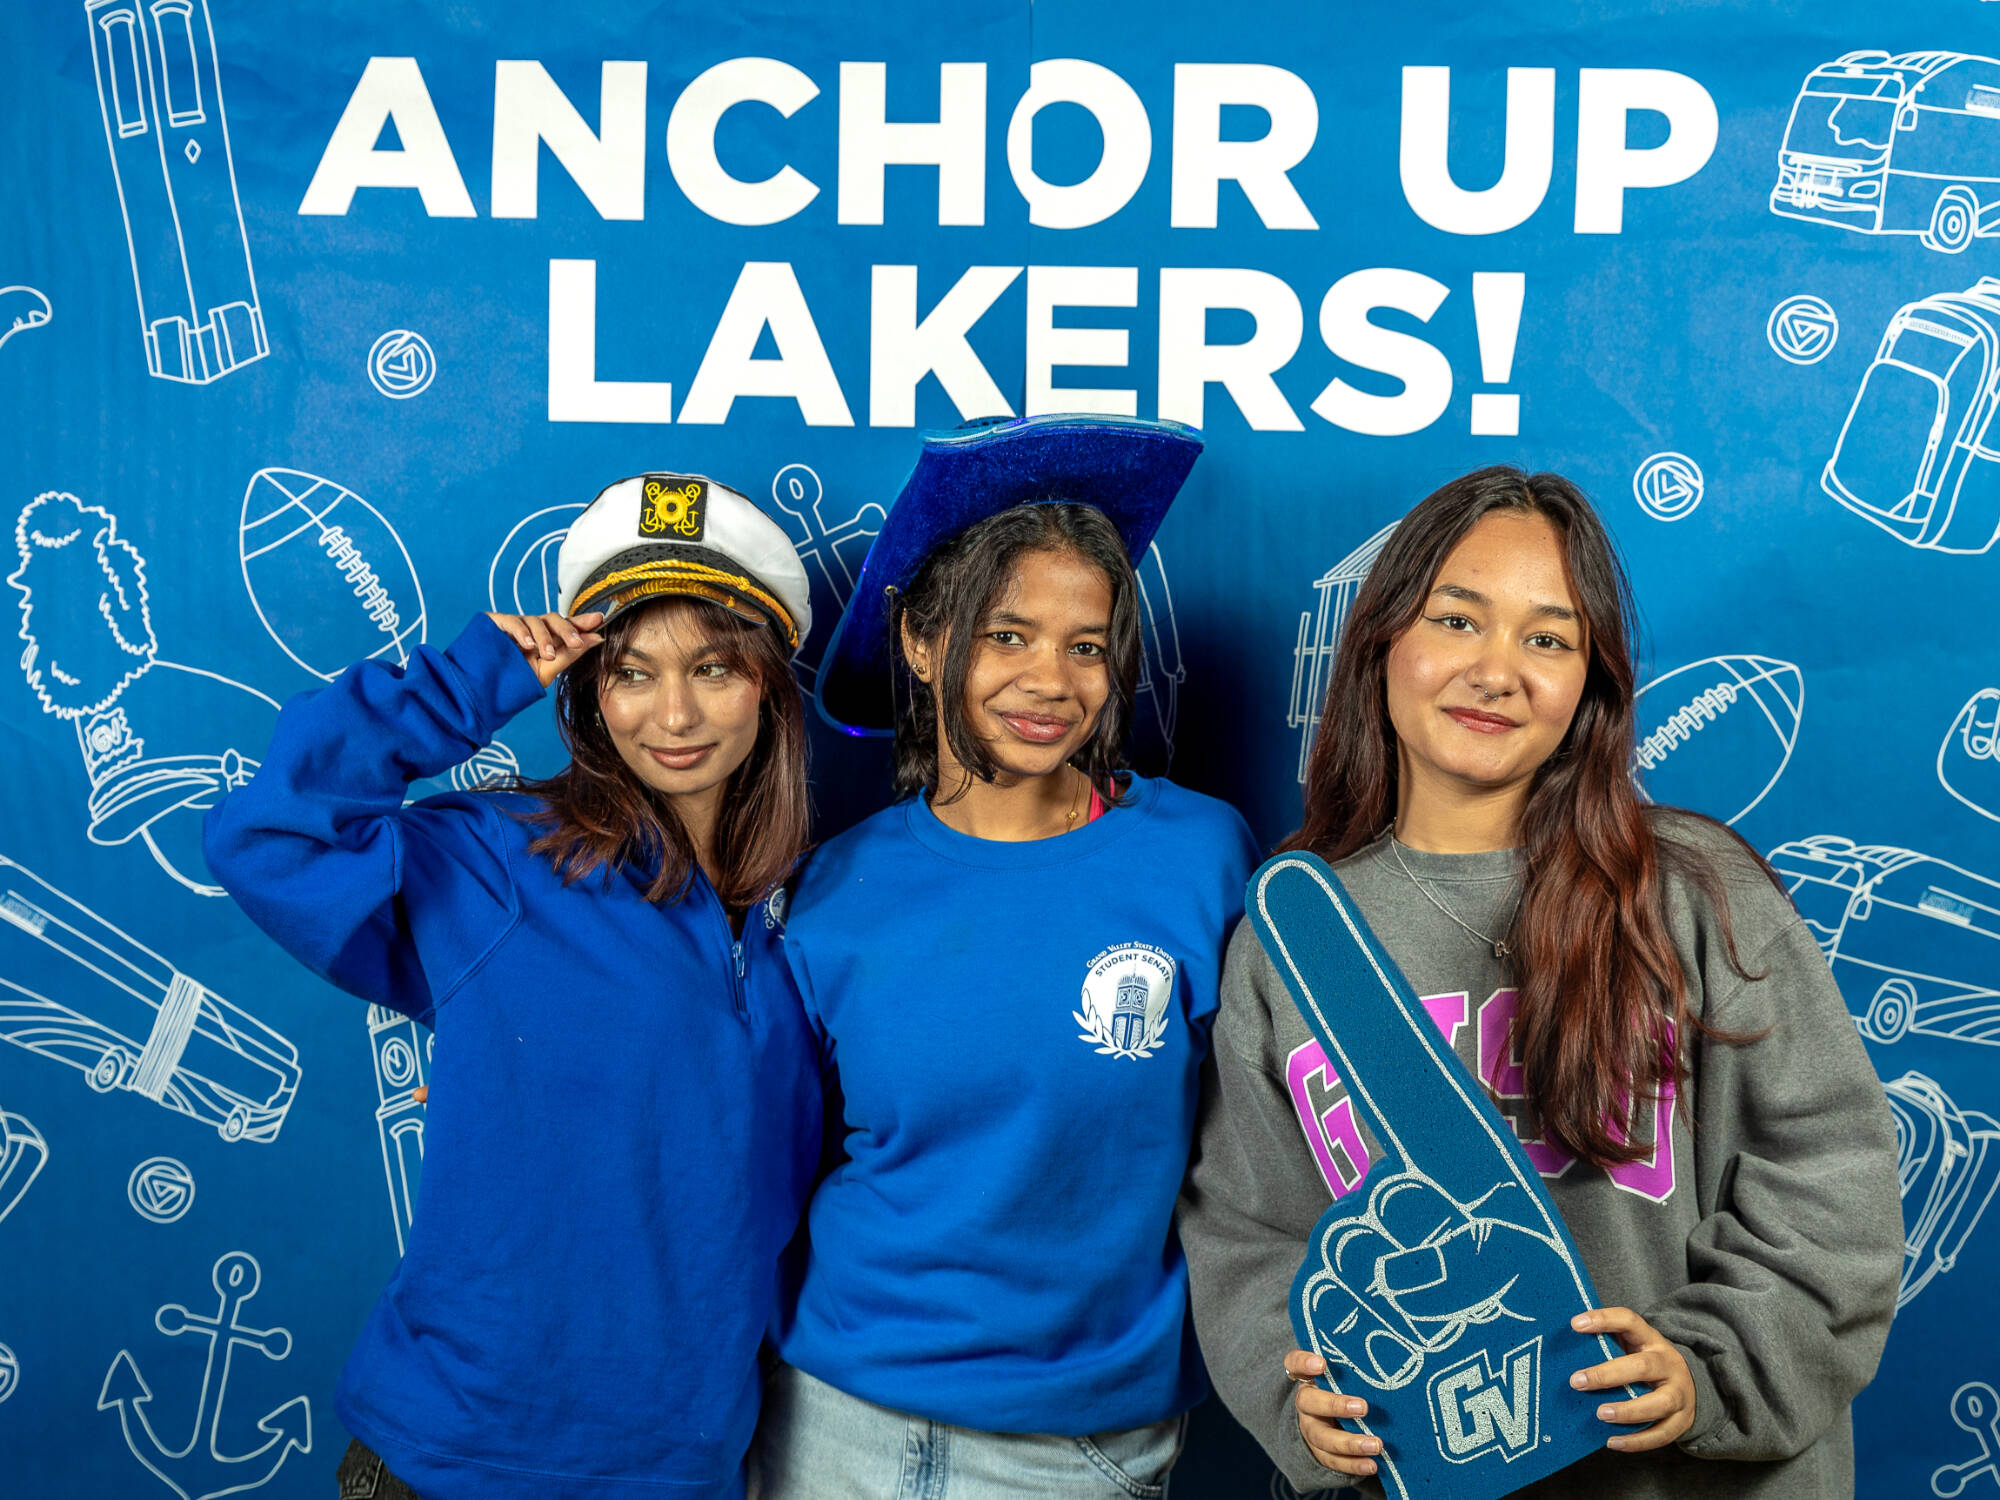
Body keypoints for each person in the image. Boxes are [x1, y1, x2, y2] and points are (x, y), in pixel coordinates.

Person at [1178, 466, 1903, 1498]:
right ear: (1381, 640)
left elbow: (1830, 1171)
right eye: (1457, 620)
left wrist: (1710, 1369)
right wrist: (1302, 1400)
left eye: (1547, 638)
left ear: (1590, 684)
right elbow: (1248, 1232)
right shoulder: (1290, 942)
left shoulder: (1692, 891)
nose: (1496, 670)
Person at [203, 473, 822, 1500]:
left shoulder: (817, 916)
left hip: (686, 1472)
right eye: (630, 672)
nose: (673, 714)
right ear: (587, 692)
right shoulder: (496, 860)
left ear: (767, 683)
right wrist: (458, 685)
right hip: (453, 1463)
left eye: (713, 668)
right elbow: (268, 839)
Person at [751, 415, 1261, 1499]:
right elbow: (761, 1179)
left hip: (1078, 1445)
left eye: (1086, 646)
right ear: (923, 642)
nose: (1051, 681)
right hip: (831, 1423)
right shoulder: (828, 895)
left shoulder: (1198, 859)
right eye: (1005, 635)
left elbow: (1254, 1151)